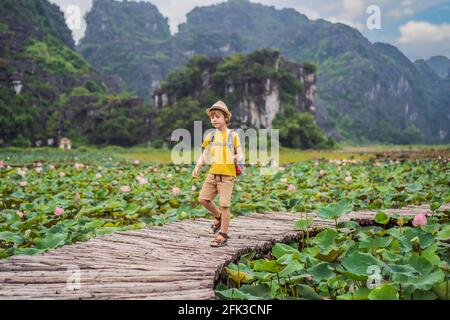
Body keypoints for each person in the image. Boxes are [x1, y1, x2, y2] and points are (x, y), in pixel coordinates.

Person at [192, 101, 243, 247]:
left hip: (227, 176)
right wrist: (197, 166)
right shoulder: (211, 136)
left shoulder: (233, 135)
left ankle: (223, 235)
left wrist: (237, 157)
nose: (214, 119)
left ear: (225, 118)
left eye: (217, 116)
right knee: (203, 199)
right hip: (212, 174)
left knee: (224, 205)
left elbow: (240, 152)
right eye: (212, 117)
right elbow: (205, 154)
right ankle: (218, 216)